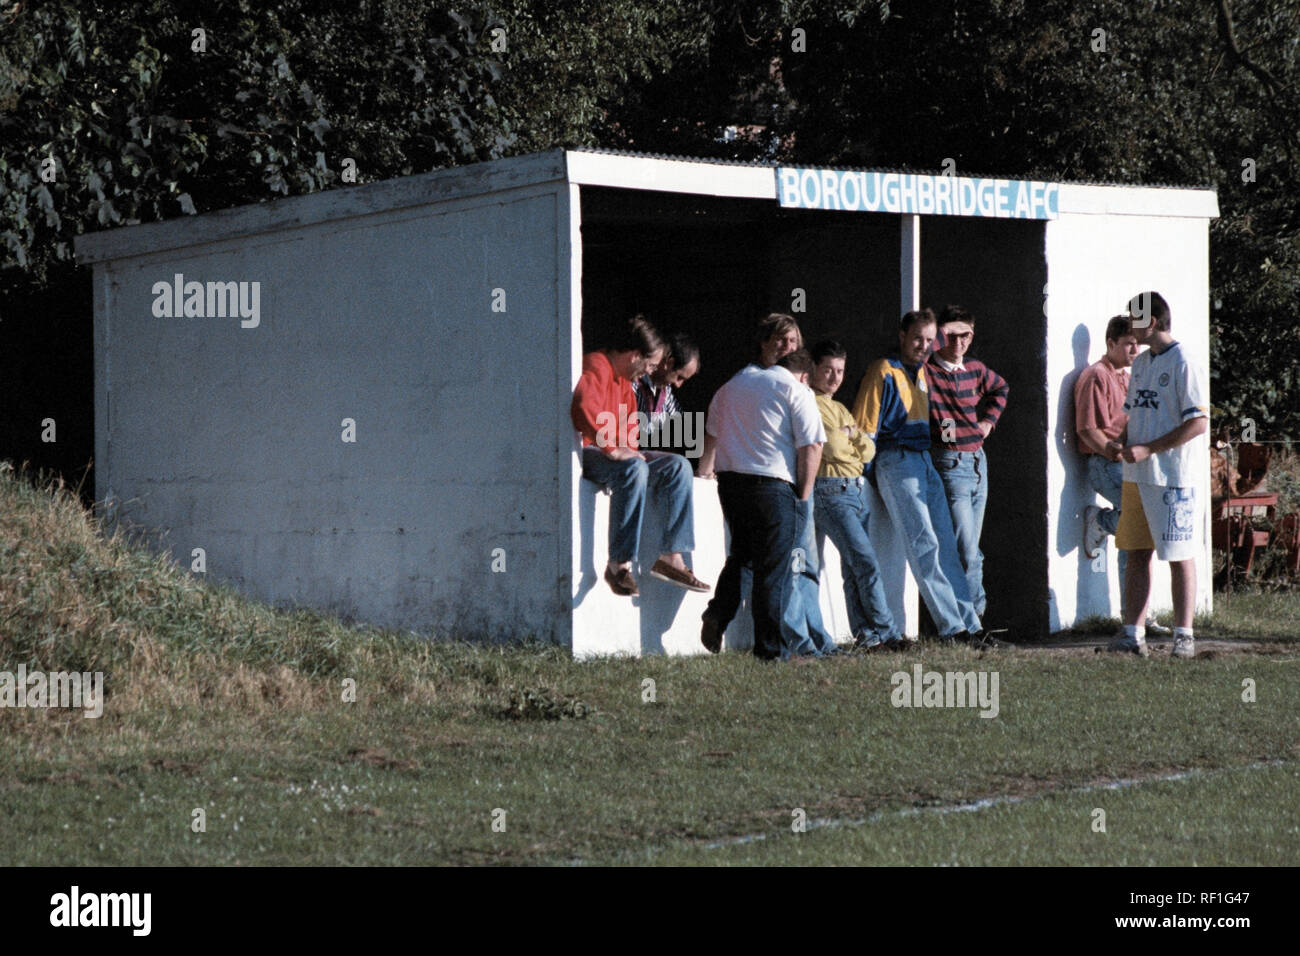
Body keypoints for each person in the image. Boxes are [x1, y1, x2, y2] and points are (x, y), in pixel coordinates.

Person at [851, 309, 990, 646]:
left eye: (929, 340)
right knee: (924, 544)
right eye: (917, 339)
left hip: (925, 458)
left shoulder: (925, 373)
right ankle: (951, 628)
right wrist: (868, 475)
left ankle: (970, 626)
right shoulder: (882, 370)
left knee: (945, 546)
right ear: (902, 336)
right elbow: (863, 431)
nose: (924, 346)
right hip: (895, 459)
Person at [698, 337, 826, 660]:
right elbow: (811, 445)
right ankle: (770, 650)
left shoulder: (731, 386)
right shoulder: (796, 391)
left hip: (729, 484)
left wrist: (704, 471)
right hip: (773, 486)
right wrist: (803, 495)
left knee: (742, 556)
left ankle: (717, 613)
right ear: (805, 375)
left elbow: (710, 433)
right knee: (774, 569)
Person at [570, 314, 710, 597]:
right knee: (635, 469)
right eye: (650, 364)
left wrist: (629, 450)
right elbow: (582, 407)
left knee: (678, 466)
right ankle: (619, 565)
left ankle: (672, 556)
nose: (649, 372)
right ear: (635, 356)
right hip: (589, 450)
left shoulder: (623, 382)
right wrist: (612, 447)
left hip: (612, 451)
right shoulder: (596, 365)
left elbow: (630, 428)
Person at [1106, 292, 1208, 658]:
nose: (1129, 327)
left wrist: (1150, 448)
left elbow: (1197, 422)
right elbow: (1133, 413)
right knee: (1136, 552)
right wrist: (1118, 442)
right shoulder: (1143, 364)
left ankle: (1184, 636)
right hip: (1137, 476)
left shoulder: (1184, 361)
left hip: (1172, 478)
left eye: (1134, 319)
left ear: (1152, 322)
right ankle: (1132, 634)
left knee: (1180, 555)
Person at [1076, 315, 1171, 636]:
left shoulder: (1129, 377)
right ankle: (1102, 522)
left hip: (1130, 463)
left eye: (1136, 342)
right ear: (1111, 343)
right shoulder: (1095, 377)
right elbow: (1087, 429)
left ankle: (1135, 618)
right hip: (1105, 464)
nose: (1134, 348)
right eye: (1128, 343)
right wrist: (1112, 452)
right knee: (1137, 529)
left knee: (1138, 535)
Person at [809, 339, 904, 651]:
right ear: (813, 369)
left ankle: (867, 637)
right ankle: (887, 633)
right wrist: (851, 438)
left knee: (853, 568)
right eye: (828, 370)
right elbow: (835, 448)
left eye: (840, 371)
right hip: (830, 491)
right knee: (865, 561)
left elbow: (869, 450)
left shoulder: (838, 407)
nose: (835, 377)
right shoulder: (810, 403)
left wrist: (853, 438)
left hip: (855, 491)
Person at [925, 306, 1008, 621]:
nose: (959, 342)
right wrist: (943, 330)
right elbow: (923, 351)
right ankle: (971, 619)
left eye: (966, 335)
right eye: (952, 335)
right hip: (949, 460)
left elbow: (1000, 388)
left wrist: (988, 423)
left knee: (973, 548)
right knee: (965, 551)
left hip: (977, 461)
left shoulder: (974, 368)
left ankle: (973, 617)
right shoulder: (929, 371)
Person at [632, 332, 700, 453]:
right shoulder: (633, 383)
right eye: (679, 377)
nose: (678, 385)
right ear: (669, 363)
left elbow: (682, 421)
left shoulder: (665, 391)